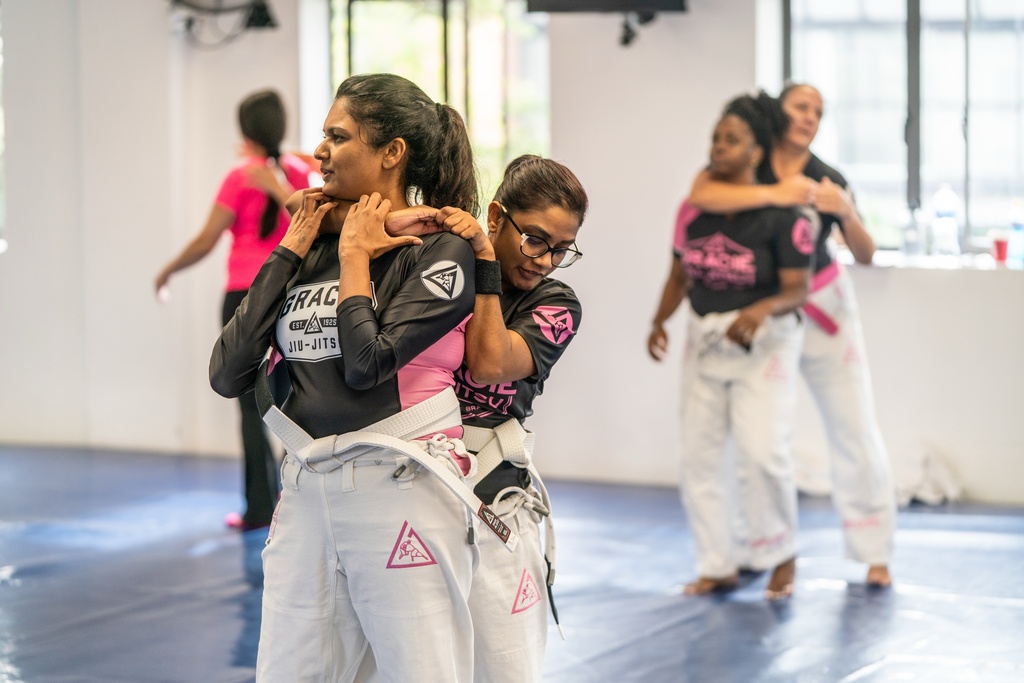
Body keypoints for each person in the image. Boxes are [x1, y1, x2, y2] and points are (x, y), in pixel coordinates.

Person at [210, 73, 486, 682]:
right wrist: (288, 249)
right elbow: (227, 372)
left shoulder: (440, 250)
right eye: (322, 136)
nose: (320, 152)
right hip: (307, 489)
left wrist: (358, 252)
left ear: (393, 153)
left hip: (401, 487)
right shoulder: (309, 243)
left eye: (338, 136)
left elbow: (366, 367)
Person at [291, 154, 589, 683]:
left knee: (504, 671)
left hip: (494, 502)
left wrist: (485, 265)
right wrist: (385, 224)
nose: (545, 260)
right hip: (415, 491)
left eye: (562, 250)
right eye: (537, 239)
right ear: (495, 216)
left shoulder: (556, 302)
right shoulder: (439, 254)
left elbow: (491, 361)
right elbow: (301, 205)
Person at [687, 83, 896, 588]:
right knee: (760, 443)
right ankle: (761, 550)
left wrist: (843, 208)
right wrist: (777, 193)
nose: (810, 117)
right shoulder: (750, 160)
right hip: (765, 312)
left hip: (823, 306)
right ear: (779, 112)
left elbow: (865, 253)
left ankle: (875, 551)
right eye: (801, 106)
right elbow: (700, 193)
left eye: (819, 112)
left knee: (853, 424)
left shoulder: (828, 178)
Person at [648, 92, 814, 599]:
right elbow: (679, 273)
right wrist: (659, 321)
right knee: (698, 456)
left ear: (756, 152)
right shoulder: (693, 210)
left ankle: (779, 554)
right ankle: (717, 563)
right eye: (716, 138)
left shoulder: (782, 213)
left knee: (762, 454)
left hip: (764, 343)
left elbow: (797, 289)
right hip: (705, 339)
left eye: (732, 139)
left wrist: (758, 310)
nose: (718, 147)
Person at [155, 89, 311, 531]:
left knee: (251, 408)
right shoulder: (299, 173)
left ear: (244, 132)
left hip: (244, 300)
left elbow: (206, 240)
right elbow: (313, 214)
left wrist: (167, 270)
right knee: (289, 403)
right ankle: (291, 505)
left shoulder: (240, 177)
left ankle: (259, 508)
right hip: (291, 297)